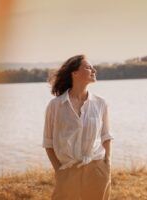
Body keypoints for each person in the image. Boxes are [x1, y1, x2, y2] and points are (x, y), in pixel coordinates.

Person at [42, 55, 114, 200]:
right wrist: (59, 171)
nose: (94, 70)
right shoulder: (55, 106)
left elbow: (106, 136)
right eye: (88, 67)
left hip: (97, 170)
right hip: (68, 171)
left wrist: (107, 164)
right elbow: (48, 143)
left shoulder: (101, 103)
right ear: (74, 73)